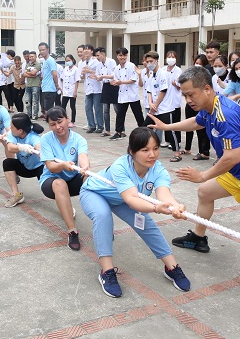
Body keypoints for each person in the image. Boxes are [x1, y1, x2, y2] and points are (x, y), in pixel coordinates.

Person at [148, 65, 240, 311]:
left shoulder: (224, 113)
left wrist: (203, 174)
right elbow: (195, 123)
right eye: (184, 95)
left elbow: (231, 157)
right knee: (205, 192)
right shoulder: (209, 108)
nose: (187, 100)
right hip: (239, 172)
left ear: (207, 89)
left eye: (190, 94)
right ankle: (198, 238)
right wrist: (166, 128)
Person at [80, 127, 190, 297]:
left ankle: (172, 267)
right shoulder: (120, 166)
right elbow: (132, 200)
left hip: (121, 198)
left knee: (147, 224)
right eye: (145, 150)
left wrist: (175, 207)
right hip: (95, 193)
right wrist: (156, 208)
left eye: (155, 149)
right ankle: (107, 272)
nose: (152, 155)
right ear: (132, 151)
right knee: (103, 217)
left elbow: (164, 194)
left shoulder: (158, 169)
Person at [39, 106, 88, 251]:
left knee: (92, 182)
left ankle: (103, 225)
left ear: (68, 119)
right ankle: (72, 231)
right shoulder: (46, 139)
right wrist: (63, 165)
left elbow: (83, 157)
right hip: (51, 181)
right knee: (60, 183)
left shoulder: (79, 139)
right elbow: (51, 166)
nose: (57, 127)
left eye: (60, 122)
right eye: (53, 124)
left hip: (72, 178)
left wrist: (85, 168)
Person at [3, 113, 45, 208]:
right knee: (7, 163)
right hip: (25, 167)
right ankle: (16, 195)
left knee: (49, 190)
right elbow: (10, 148)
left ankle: (66, 206)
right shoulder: (13, 134)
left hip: (40, 168)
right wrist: (22, 147)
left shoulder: (33, 137)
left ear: (20, 130)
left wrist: (40, 151)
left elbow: (39, 146)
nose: (10, 128)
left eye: (12, 127)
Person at [111, 47, 144, 140]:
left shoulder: (131, 66)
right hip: (122, 95)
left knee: (138, 114)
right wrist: (114, 82)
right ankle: (118, 132)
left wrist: (121, 82)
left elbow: (133, 80)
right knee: (120, 114)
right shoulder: (117, 68)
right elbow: (116, 79)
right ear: (117, 56)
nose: (122, 57)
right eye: (120, 55)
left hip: (133, 95)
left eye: (124, 55)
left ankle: (144, 130)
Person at [183, 55, 211, 159]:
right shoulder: (190, 75)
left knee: (201, 126)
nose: (197, 65)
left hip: (200, 104)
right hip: (191, 104)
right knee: (189, 124)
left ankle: (204, 151)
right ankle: (187, 147)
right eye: (196, 62)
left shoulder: (206, 77)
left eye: (200, 63)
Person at [80, 44, 104, 133]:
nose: (86, 51)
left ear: (91, 51)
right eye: (84, 50)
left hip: (96, 88)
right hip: (88, 88)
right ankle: (91, 125)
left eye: (88, 49)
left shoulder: (96, 62)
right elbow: (82, 76)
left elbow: (100, 73)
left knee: (98, 108)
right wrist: (82, 73)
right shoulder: (82, 63)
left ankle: (100, 126)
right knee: (87, 107)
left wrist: (89, 71)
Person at [96, 47, 118, 137]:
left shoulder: (111, 61)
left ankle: (121, 129)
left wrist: (103, 76)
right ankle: (107, 130)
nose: (97, 57)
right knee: (106, 110)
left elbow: (114, 75)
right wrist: (97, 77)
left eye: (98, 55)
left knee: (117, 109)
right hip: (105, 86)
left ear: (103, 54)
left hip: (113, 85)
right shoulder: (99, 65)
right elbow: (98, 75)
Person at [38, 42, 60, 119]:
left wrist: (57, 85)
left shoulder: (51, 60)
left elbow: (54, 74)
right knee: (45, 109)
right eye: (40, 50)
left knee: (48, 110)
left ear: (47, 50)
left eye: (43, 50)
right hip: (44, 88)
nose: (41, 52)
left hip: (50, 88)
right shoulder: (44, 61)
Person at [60, 54, 79, 128]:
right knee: (63, 106)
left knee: (72, 106)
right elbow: (62, 79)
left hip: (72, 90)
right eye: (66, 61)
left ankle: (73, 121)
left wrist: (75, 91)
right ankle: (64, 119)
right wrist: (61, 88)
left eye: (69, 60)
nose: (68, 62)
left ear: (73, 60)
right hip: (65, 91)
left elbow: (77, 81)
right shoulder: (65, 69)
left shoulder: (76, 69)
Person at [23, 50, 42, 119]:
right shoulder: (28, 65)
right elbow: (24, 74)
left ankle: (35, 115)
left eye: (32, 56)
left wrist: (29, 73)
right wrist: (31, 74)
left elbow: (34, 73)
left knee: (35, 101)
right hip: (28, 85)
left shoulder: (38, 64)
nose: (31, 58)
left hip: (35, 85)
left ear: (36, 56)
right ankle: (29, 114)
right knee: (27, 101)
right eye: (30, 57)